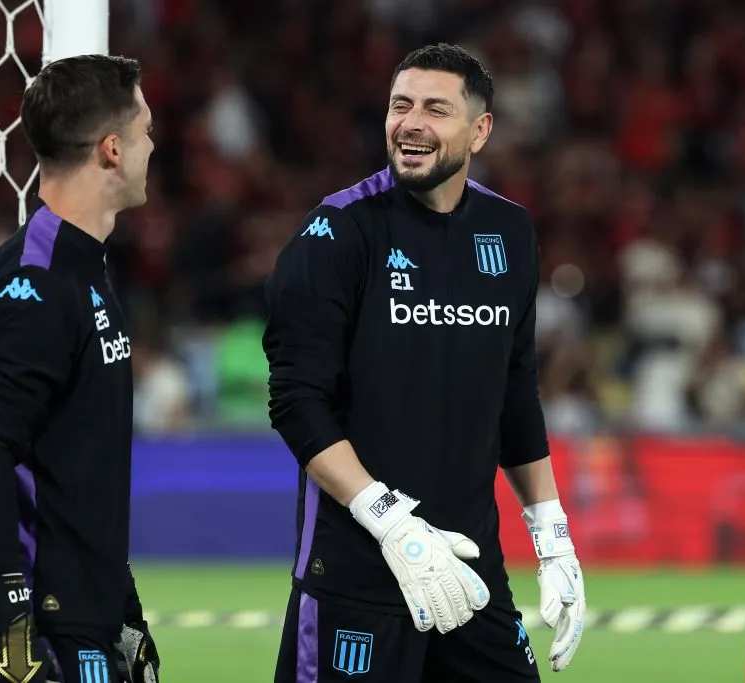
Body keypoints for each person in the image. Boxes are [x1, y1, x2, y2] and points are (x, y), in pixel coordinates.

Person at [263, 43, 586, 683]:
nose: (411, 123)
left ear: (480, 130)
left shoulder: (510, 232)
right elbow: (297, 403)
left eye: (436, 109)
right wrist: (393, 527)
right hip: (357, 570)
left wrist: (552, 537)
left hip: (469, 571)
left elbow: (516, 396)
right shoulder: (338, 231)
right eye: (399, 106)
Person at [0, 54, 160, 683]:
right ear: (112, 150)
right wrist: (12, 631)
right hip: (31, 626)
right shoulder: (30, 286)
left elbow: (76, 467)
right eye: (145, 131)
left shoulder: (83, 266)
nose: (153, 145)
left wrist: (124, 608)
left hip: (77, 612)